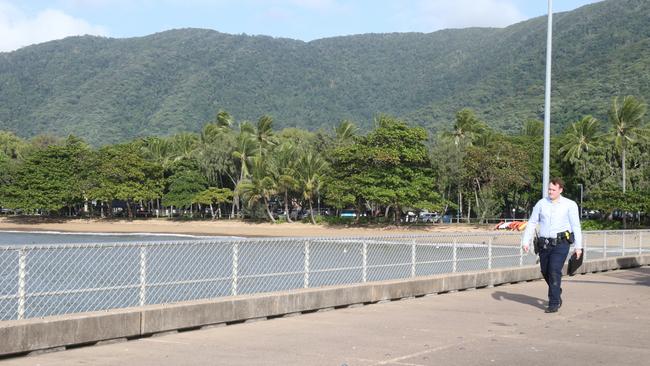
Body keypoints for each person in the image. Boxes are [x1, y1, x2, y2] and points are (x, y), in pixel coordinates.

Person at [521, 177, 583, 313]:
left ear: (560, 190)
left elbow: (576, 226)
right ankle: (556, 289)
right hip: (544, 244)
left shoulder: (570, 205)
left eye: (553, 190)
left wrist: (579, 247)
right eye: (549, 189)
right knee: (545, 270)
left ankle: (554, 302)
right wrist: (525, 241)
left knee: (554, 270)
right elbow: (532, 223)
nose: (550, 192)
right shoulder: (541, 204)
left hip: (561, 244)